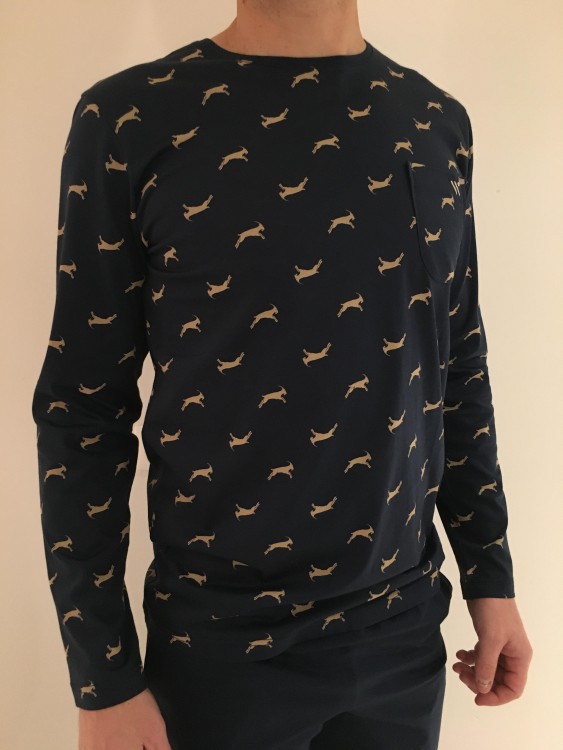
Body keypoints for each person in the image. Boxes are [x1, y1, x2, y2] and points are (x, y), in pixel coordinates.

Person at [31, 1, 533, 748]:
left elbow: (455, 363)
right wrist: (102, 676)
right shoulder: (129, 122)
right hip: (219, 655)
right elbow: (82, 407)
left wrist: (489, 577)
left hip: (403, 640)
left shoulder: (435, 123)